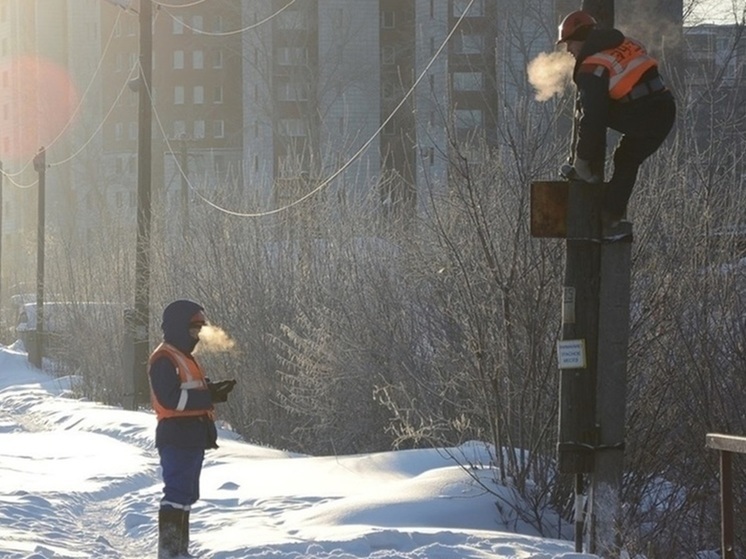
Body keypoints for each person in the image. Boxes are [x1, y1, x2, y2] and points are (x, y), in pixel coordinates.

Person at [557, 10, 676, 227]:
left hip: (644, 113)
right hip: (664, 108)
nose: (568, 50)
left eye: (569, 43)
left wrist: (582, 161)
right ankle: (610, 215)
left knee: (593, 114)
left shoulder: (592, 67)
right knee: (627, 159)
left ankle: (590, 178)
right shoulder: (625, 42)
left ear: (581, 40)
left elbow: (593, 118)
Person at [148, 299, 236, 558]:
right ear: (177, 327)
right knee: (176, 493)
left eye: (199, 329)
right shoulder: (165, 357)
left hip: (191, 435)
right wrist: (209, 397)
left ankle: (179, 552)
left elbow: (190, 391)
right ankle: (170, 552)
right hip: (176, 435)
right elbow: (170, 399)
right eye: (193, 329)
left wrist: (213, 390)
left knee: (185, 494)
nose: (197, 335)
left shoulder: (184, 356)